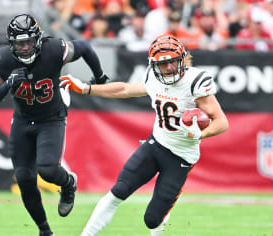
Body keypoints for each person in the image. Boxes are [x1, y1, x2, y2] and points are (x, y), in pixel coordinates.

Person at [60, 34, 229, 236]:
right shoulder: (152, 76)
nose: (168, 68)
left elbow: (221, 122)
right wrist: (86, 88)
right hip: (156, 144)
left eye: (172, 62)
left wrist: (199, 135)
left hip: (181, 157)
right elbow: (125, 89)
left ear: (182, 59)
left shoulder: (195, 82)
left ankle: (161, 217)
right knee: (118, 191)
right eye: (163, 64)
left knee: (152, 219)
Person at [0, 13, 109, 236]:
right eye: (20, 43)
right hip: (22, 121)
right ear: (12, 44)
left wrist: (99, 77)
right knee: (24, 178)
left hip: (51, 118)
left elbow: (84, 48)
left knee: (48, 170)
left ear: (38, 40)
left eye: (29, 41)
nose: (26, 48)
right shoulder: (4, 61)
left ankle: (68, 183)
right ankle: (45, 231)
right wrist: (8, 84)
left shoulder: (54, 49)